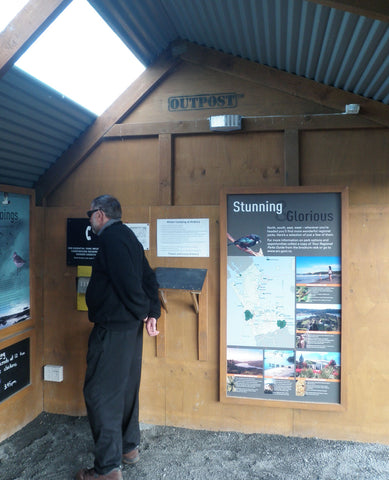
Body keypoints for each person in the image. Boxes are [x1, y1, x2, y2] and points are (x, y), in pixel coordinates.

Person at [75, 195, 160, 480]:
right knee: (124, 389)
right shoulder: (128, 237)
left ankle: (107, 469)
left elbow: (129, 285)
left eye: (90, 214)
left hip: (113, 330)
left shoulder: (111, 240)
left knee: (100, 394)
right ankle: (128, 448)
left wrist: (142, 312)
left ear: (100, 214)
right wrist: (151, 313)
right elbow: (149, 278)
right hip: (129, 331)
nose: (89, 219)